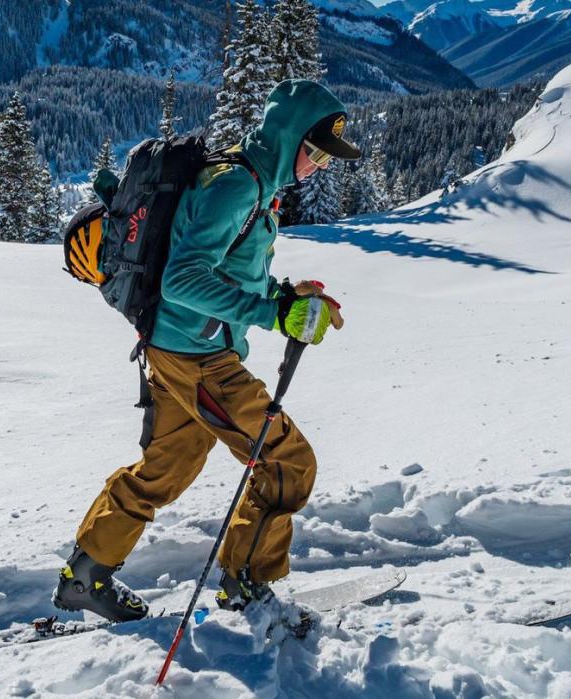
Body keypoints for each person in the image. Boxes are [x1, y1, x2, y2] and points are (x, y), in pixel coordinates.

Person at [53, 80, 361, 622]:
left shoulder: (255, 190)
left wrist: (284, 295)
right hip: (198, 358)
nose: (319, 165)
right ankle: (248, 584)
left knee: (166, 469)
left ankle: (86, 576)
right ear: (289, 139)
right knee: (286, 461)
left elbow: (227, 273)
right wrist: (273, 314)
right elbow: (183, 282)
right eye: (315, 151)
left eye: (326, 158)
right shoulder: (237, 189)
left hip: (175, 348)